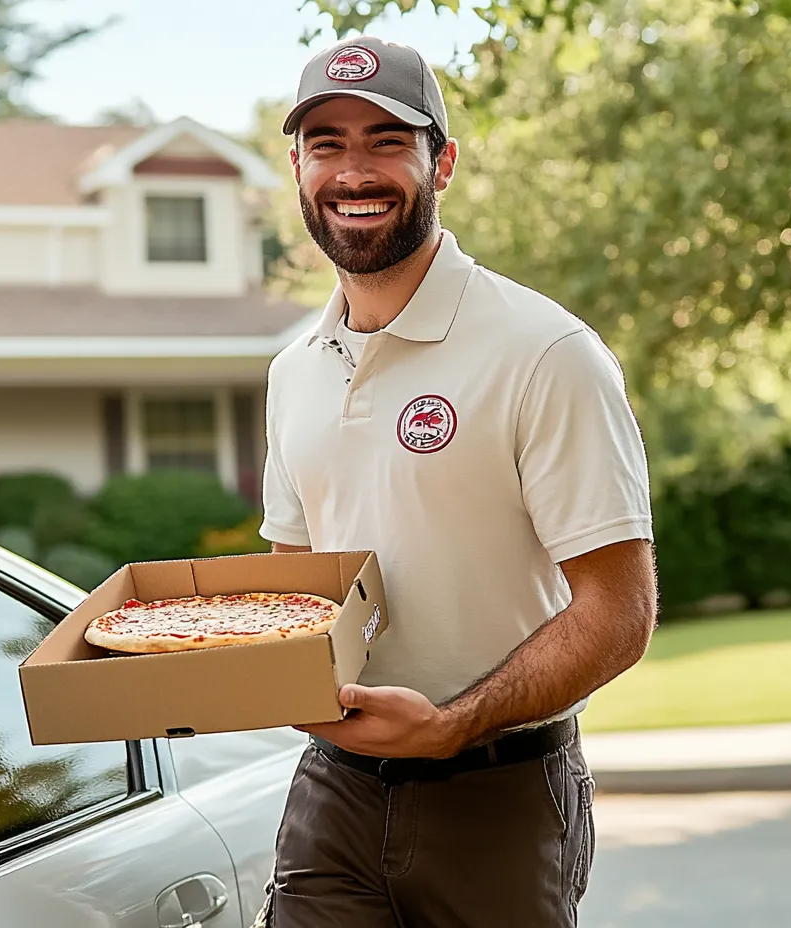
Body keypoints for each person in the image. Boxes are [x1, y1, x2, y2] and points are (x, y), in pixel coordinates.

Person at [257, 35, 657, 928]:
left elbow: (618, 614)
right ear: (296, 167)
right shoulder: (295, 372)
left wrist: (453, 723)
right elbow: (297, 591)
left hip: (499, 795)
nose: (353, 171)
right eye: (327, 144)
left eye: (385, 141)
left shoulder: (546, 353)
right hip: (333, 795)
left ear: (442, 161)